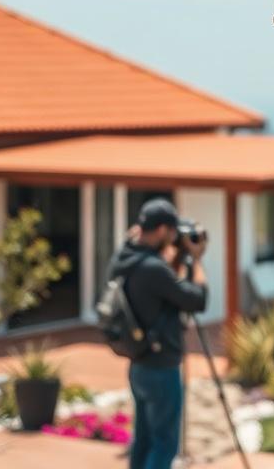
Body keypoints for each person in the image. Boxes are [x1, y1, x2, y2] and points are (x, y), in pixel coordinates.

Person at [108, 198, 208, 469]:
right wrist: (196, 261)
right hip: (161, 367)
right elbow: (196, 300)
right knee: (164, 444)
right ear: (163, 229)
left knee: (143, 441)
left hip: (139, 364)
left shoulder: (124, 259)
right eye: (173, 231)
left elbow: (161, 291)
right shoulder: (153, 268)